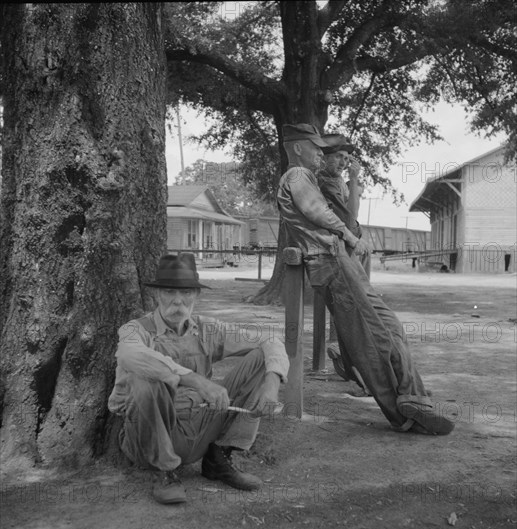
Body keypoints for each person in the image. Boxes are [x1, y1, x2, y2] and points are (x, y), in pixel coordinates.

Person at [277, 123, 454, 436]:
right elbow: (317, 212)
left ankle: (415, 396)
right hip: (328, 261)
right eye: (315, 146)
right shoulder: (297, 176)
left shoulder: (309, 177)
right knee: (373, 340)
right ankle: (403, 415)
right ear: (296, 147)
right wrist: (348, 235)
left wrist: (349, 238)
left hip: (340, 260)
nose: (320, 152)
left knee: (390, 326)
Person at [108, 253, 289, 504]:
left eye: (187, 293)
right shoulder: (135, 330)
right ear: (157, 295)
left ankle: (218, 458)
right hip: (151, 436)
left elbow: (270, 340)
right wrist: (198, 381)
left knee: (261, 358)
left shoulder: (207, 329)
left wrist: (272, 384)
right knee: (143, 379)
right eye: (170, 292)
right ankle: (164, 472)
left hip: (202, 426)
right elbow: (128, 355)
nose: (178, 301)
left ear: (197, 295)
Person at [317, 134, 372, 390]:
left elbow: (354, 216)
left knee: (351, 310)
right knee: (351, 311)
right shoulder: (324, 182)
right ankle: (357, 369)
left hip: (345, 249)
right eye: (338, 156)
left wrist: (352, 182)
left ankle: (350, 365)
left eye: (346, 158)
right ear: (325, 157)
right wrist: (355, 180)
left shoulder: (338, 181)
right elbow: (350, 220)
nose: (342, 162)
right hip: (332, 254)